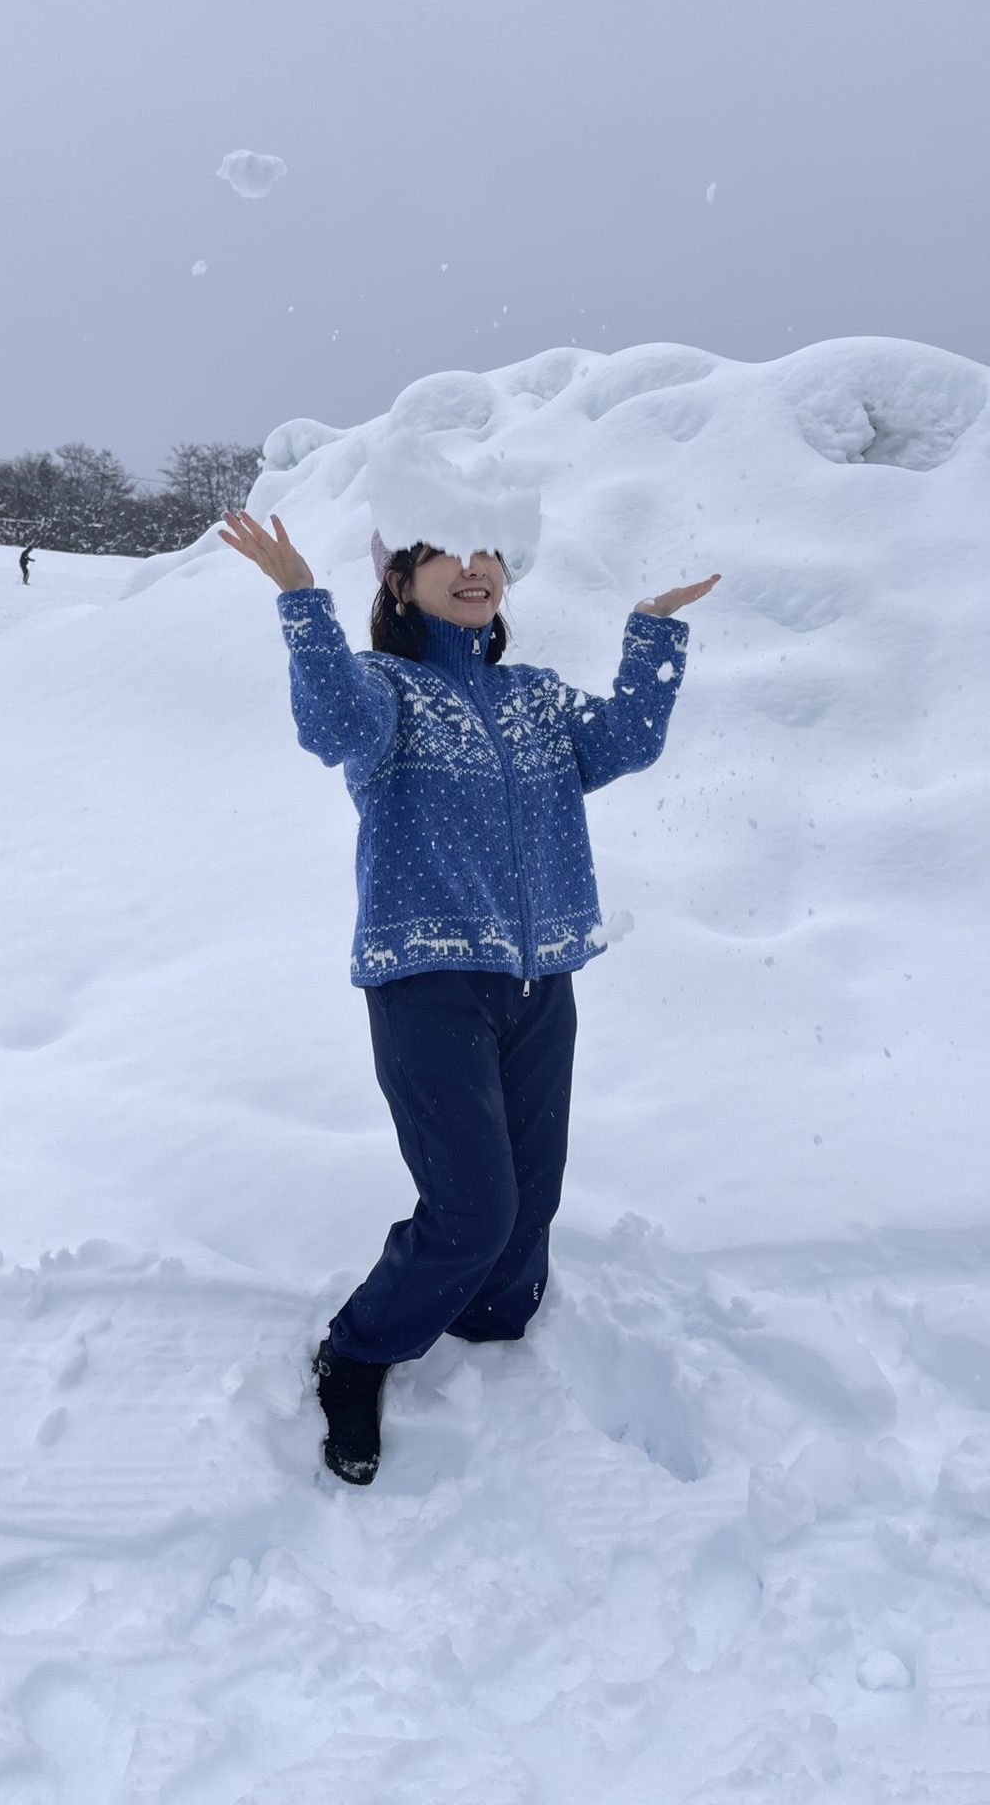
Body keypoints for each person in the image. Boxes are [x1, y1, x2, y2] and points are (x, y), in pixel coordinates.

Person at [219, 508, 719, 1485]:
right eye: (446, 551)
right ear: (400, 584)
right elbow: (328, 725)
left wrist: (654, 629)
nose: (475, 567)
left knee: (529, 1202)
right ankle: (360, 1352)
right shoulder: (386, 693)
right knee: (473, 1209)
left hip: (541, 980)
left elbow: (623, 743)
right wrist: (301, 603)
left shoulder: (532, 698)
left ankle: (491, 1331)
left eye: (489, 550)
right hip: (428, 983)